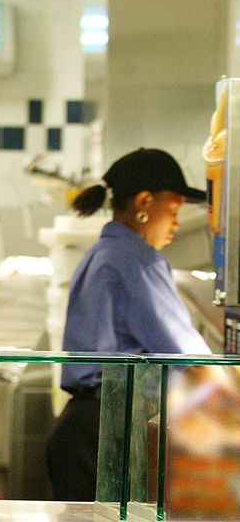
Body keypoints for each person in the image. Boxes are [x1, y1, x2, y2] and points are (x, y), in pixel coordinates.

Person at [47, 148, 211, 501]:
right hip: (110, 430)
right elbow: (191, 359)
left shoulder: (103, 253)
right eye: (174, 210)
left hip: (82, 427)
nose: (176, 224)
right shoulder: (137, 261)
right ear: (144, 202)